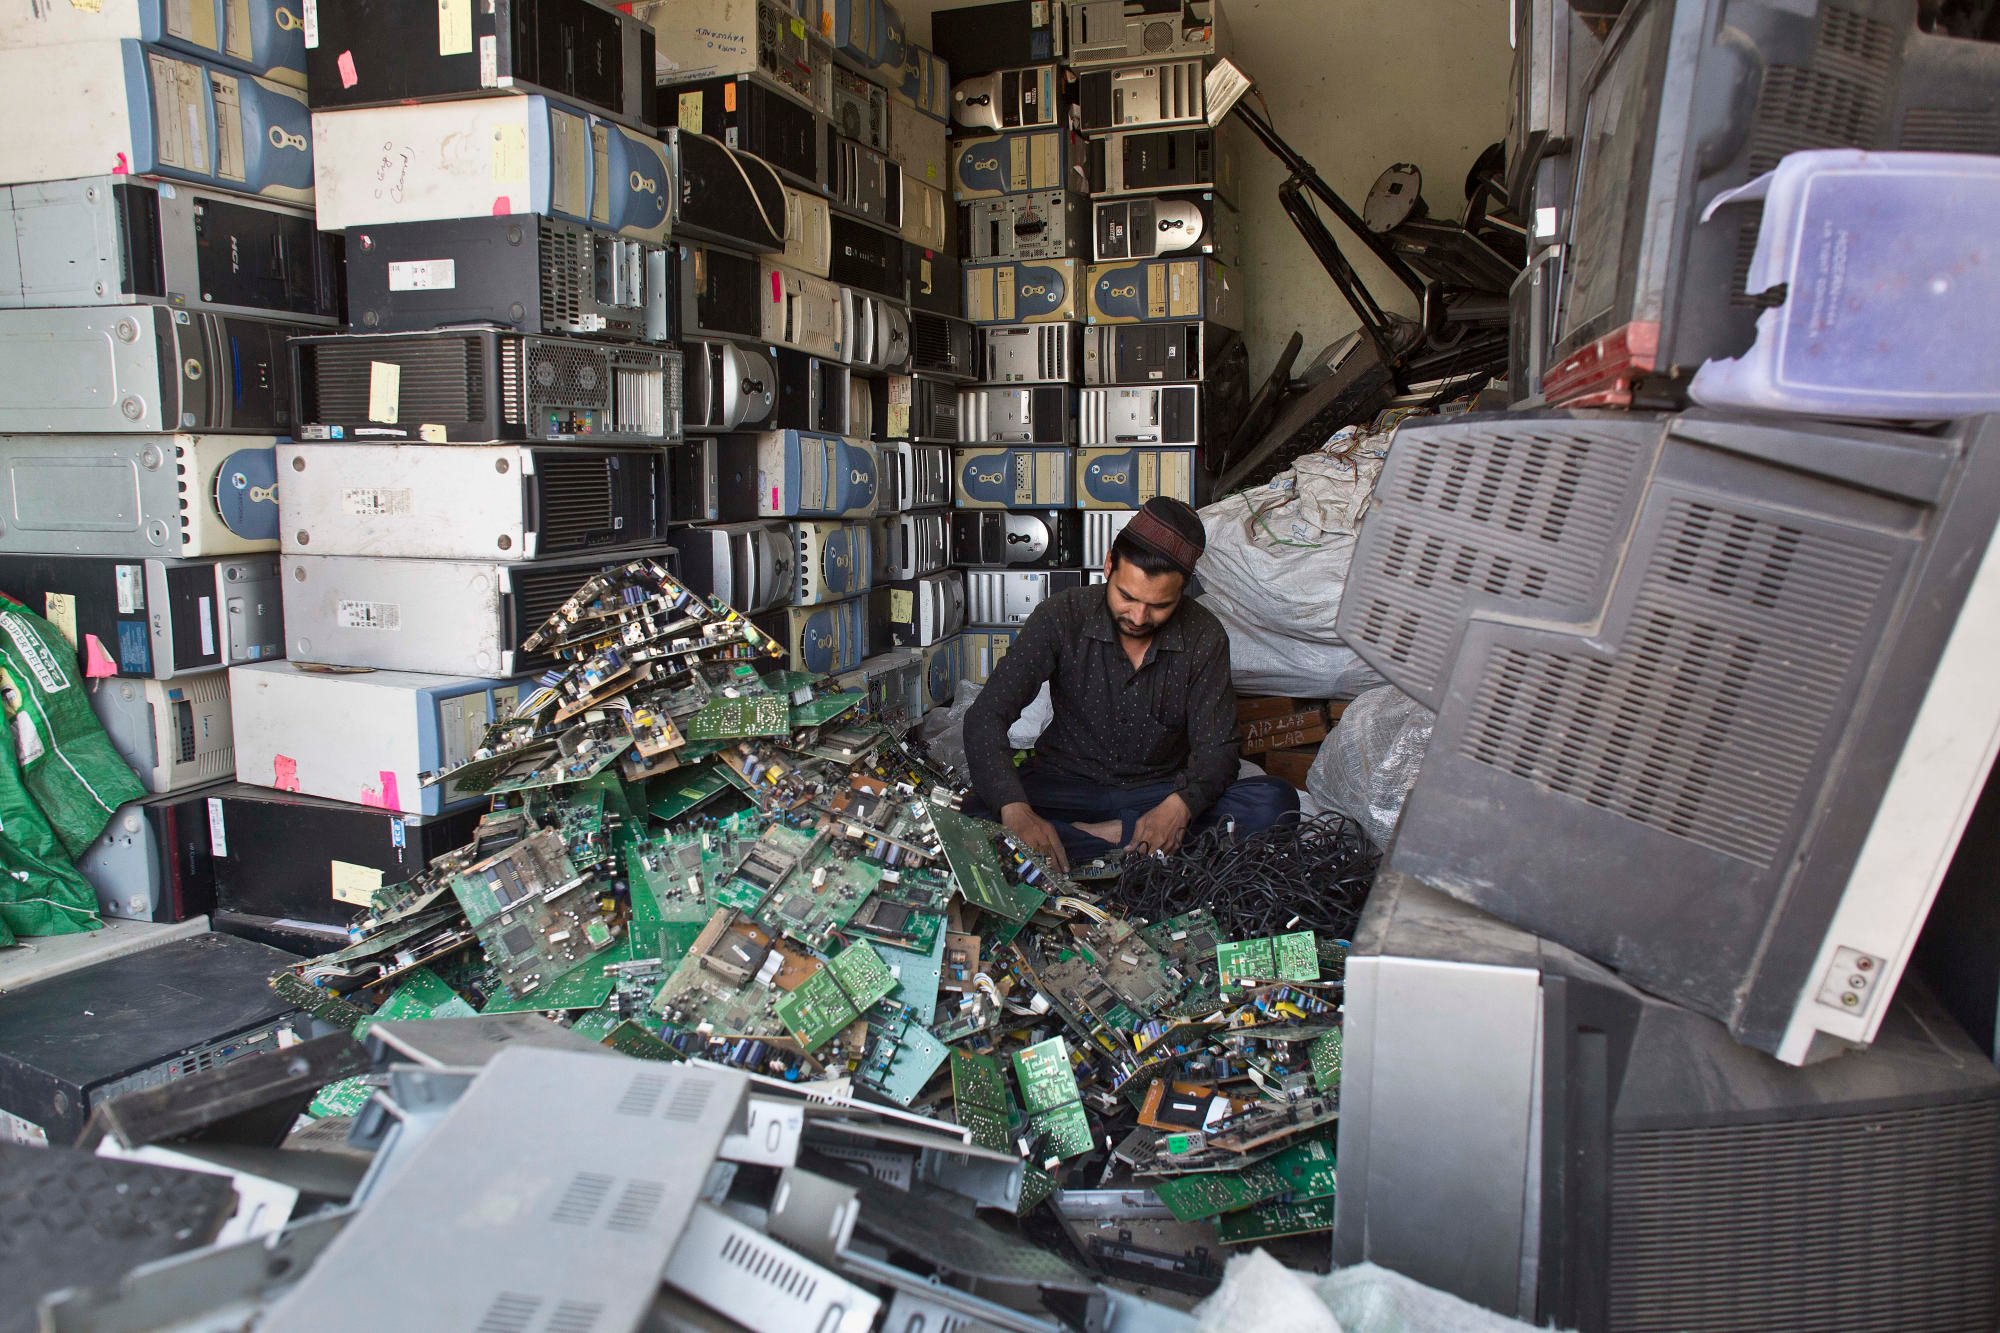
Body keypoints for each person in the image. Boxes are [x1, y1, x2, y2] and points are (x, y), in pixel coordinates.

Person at [963, 496, 1299, 870]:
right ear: (1109, 564)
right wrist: (1016, 811)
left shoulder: (1205, 636)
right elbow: (986, 717)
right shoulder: (1062, 616)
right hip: (1063, 785)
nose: (1138, 617)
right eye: (1127, 596)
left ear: (1183, 590)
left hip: (1156, 793)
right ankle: (1128, 844)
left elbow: (1218, 749)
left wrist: (1179, 807)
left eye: (1159, 606)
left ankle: (1080, 840)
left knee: (1274, 804)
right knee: (973, 814)